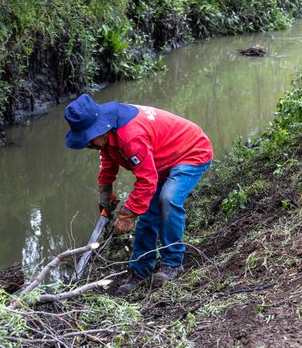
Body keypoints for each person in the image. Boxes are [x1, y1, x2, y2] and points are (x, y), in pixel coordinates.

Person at [64, 94, 212, 292]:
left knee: (168, 199)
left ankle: (173, 263)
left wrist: (128, 215)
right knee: (148, 213)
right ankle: (141, 269)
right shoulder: (107, 133)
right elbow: (108, 161)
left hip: (191, 152)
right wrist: (105, 193)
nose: (87, 144)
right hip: (158, 160)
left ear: (100, 128)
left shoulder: (130, 136)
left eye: (88, 138)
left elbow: (147, 179)